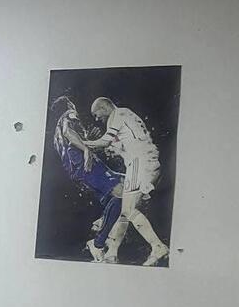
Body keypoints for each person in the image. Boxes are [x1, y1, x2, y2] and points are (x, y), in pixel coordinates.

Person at [83, 96, 169, 266]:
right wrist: (106, 147)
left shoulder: (118, 114)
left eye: (96, 114)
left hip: (139, 162)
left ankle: (158, 247)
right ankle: (112, 254)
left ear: (104, 107)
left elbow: (105, 141)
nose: (96, 119)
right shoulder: (127, 118)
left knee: (128, 210)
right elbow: (114, 147)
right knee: (125, 210)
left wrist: (83, 143)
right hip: (146, 162)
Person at [49, 96, 126, 260]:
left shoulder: (56, 135)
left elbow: (71, 142)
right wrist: (85, 150)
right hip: (85, 167)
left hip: (79, 171)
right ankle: (98, 243)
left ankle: (102, 223)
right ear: (69, 104)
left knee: (124, 187)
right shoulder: (69, 114)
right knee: (122, 192)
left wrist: (87, 141)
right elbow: (69, 133)